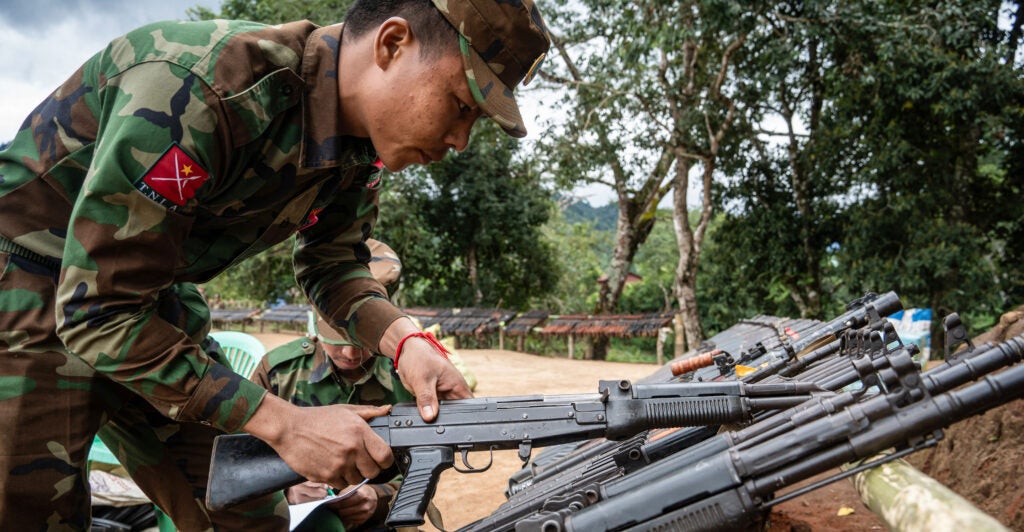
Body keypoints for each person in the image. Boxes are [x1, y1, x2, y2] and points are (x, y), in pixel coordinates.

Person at [0, 0, 551, 529]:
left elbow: (332, 263)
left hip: (147, 301)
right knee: (28, 513)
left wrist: (405, 341)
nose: (460, 139)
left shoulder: (357, 151)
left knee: (245, 513)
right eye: (460, 105)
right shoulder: (204, 90)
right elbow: (97, 308)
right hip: (23, 289)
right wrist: (284, 423)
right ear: (392, 43)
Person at [251, 239, 420, 531]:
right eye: (337, 340)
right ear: (316, 320)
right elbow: (243, 460)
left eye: (363, 342)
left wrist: (377, 498)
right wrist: (286, 492)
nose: (351, 354)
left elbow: (422, 471)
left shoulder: (410, 378)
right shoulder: (279, 372)